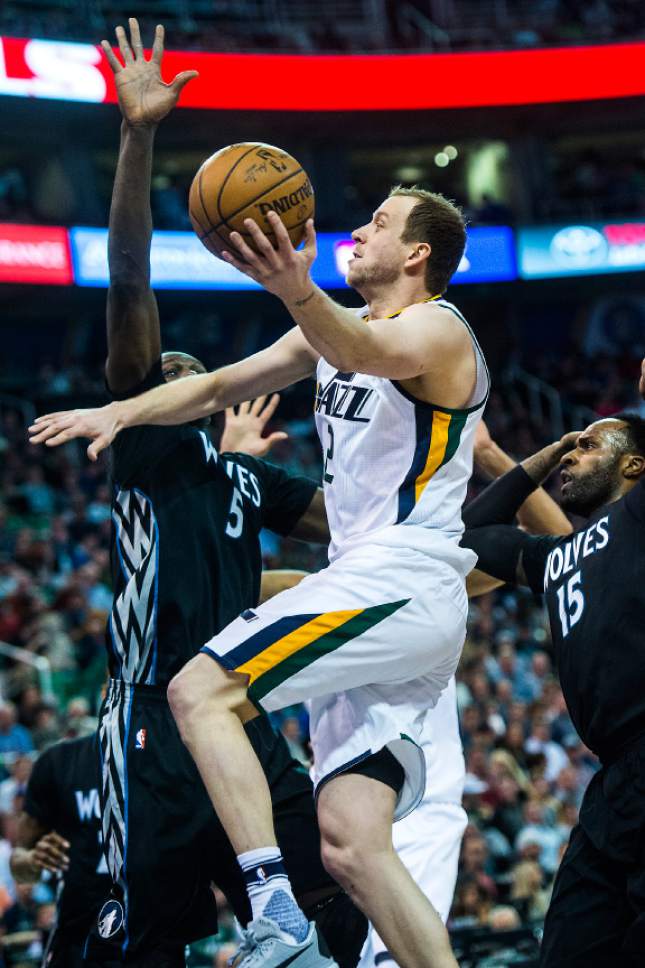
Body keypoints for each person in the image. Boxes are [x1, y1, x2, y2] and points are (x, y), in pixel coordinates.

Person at [31, 26, 491, 960]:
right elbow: (209, 386)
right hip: (376, 596)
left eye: (377, 225)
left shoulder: (439, 329)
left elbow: (361, 351)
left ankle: (275, 918)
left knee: (203, 690)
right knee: (356, 847)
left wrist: (295, 290)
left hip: (397, 580)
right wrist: (121, 415)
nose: (356, 230)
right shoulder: (323, 341)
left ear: (416, 258)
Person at [460, 359, 645, 967]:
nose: (573, 455)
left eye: (590, 446)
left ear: (634, 466)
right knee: (567, 947)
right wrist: (542, 455)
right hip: (615, 780)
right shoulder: (559, 554)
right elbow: (474, 532)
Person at [9, 732, 114, 968]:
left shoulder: (166, 756)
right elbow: (19, 862)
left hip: (150, 937)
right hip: (78, 934)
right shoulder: (61, 760)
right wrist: (35, 860)